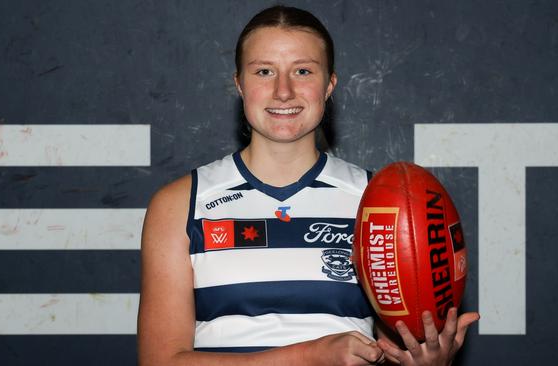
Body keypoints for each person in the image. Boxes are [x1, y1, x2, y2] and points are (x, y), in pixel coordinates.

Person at [137, 5, 479, 366]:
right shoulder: (182, 204)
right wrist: (308, 356)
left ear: (329, 84)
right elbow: (159, 361)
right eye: (264, 71)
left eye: (303, 71)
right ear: (239, 83)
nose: (283, 91)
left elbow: (397, 348)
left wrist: (424, 361)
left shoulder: (378, 202)